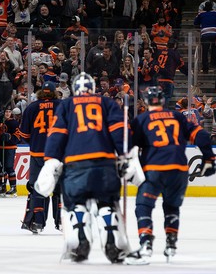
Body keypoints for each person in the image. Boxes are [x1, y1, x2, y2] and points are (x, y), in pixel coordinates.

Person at [34, 72, 146, 264]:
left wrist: (51, 159)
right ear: (93, 89)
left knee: (76, 204)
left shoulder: (67, 105)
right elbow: (119, 131)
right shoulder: (106, 103)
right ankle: (113, 243)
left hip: (75, 164)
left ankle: (79, 243)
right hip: (105, 164)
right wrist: (125, 155)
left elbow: (57, 134)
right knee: (107, 204)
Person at [130, 86, 216, 262]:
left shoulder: (142, 119)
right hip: (178, 170)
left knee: (144, 206)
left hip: (154, 169)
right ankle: (171, 243)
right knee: (171, 207)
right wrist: (209, 159)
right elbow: (202, 136)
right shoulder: (177, 117)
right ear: (162, 100)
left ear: (146, 102)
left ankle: (146, 243)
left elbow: (130, 146)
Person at [19, 81, 61, 234]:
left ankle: (37, 222)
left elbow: (24, 134)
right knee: (59, 188)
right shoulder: (61, 106)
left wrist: (36, 142)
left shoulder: (31, 107)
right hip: (57, 153)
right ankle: (61, 221)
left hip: (37, 153)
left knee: (38, 188)